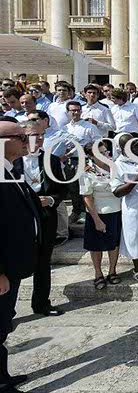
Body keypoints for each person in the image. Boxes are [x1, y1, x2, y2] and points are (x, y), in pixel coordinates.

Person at [13, 121, 67, 317]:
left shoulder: (52, 160)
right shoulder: (10, 161)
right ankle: (8, 309)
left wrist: (51, 200)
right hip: (19, 219)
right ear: (23, 137)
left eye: (42, 134)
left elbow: (63, 189)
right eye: (35, 135)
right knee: (14, 261)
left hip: (45, 217)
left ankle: (41, 303)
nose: (40, 138)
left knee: (43, 261)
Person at [0, 121, 38, 392]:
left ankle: (3, 376)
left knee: (3, 324)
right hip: (3, 269)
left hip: (13, 264)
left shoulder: (10, 169)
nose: (27, 142)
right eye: (21, 137)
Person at [80, 142, 122, 290]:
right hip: (97, 213)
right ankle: (98, 273)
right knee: (96, 246)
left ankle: (112, 271)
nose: (105, 155)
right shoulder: (87, 171)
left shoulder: (115, 167)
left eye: (106, 152)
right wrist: (97, 220)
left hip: (115, 210)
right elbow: (87, 197)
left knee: (114, 244)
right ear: (91, 156)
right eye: (101, 153)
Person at [110, 133, 138, 282]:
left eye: (135, 144)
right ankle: (137, 268)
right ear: (121, 148)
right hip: (133, 206)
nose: (134, 148)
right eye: (129, 146)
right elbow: (117, 192)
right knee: (134, 236)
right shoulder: (117, 165)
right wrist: (134, 180)